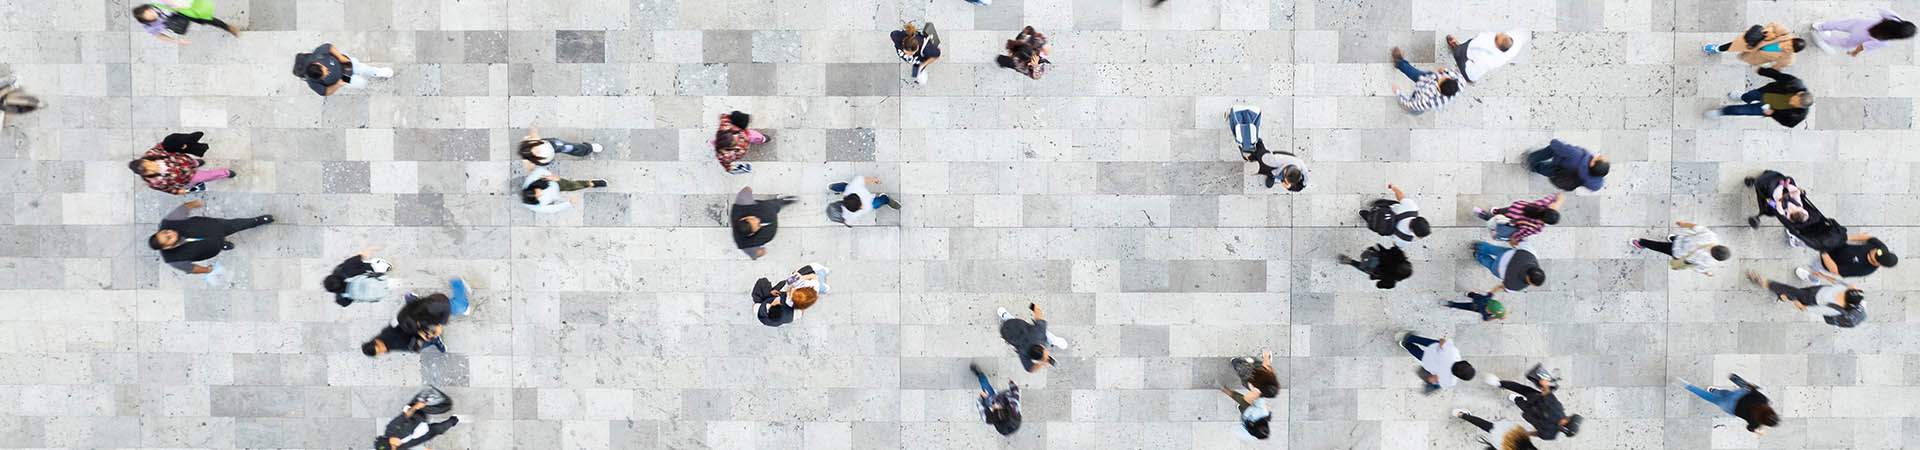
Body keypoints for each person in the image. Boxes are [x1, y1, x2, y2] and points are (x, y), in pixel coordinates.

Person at [149, 201, 273, 274]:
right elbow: (192, 269)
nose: (171, 232)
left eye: (166, 232)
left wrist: (196, 204)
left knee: (237, 224)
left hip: (213, 227)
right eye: (168, 238)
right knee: (217, 245)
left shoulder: (168, 222)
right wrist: (206, 270)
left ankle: (256, 221)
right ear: (166, 247)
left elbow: (184, 208)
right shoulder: (173, 260)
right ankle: (222, 245)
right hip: (210, 248)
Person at [1747, 270, 1866, 328]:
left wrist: (1796, 300)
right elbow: (1838, 282)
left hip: (1811, 299)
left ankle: (1762, 282)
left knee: (1790, 290)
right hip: (1817, 290)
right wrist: (1823, 276)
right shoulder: (1855, 293)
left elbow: (1806, 308)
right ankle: (1784, 296)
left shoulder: (1834, 310)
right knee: (1793, 292)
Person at [1483, 372, 1582, 440]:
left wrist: (1545, 385)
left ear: (1566, 423)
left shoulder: (1558, 409)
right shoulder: (1550, 435)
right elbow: (1537, 433)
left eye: (1569, 418)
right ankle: (1515, 398)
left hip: (1534, 398)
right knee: (1519, 402)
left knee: (1520, 388)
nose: (1568, 416)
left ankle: (1498, 383)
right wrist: (1527, 433)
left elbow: (1546, 395)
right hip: (1528, 412)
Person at [129, 132, 234, 194]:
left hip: (184, 160)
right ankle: (225, 173)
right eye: (149, 171)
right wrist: (183, 191)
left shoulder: (152, 153)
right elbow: (170, 190)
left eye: (149, 164)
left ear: (146, 160)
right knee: (208, 176)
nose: (153, 168)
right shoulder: (154, 182)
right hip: (189, 177)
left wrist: (180, 144)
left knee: (194, 162)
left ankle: (196, 163)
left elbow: (166, 144)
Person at [1676, 374, 1778, 435]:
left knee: (1724, 393)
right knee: (1709, 398)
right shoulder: (1756, 423)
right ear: (1764, 423)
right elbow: (1750, 428)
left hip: (1737, 395)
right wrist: (1758, 431)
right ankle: (1687, 385)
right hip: (1730, 406)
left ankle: (1714, 390)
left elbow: (1752, 390)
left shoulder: (1763, 400)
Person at [1706, 68, 1810, 128]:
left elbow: (1789, 123)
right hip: (1765, 93)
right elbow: (1778, 75)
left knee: (1741, 110)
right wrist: (1763, 71)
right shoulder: (1795, 83)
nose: (1791, 102)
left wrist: (1773, 114)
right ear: (1800, 93)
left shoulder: (1799, 115)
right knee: (1749, 95)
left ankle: (1722, 112)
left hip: (1768, 108)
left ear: (1801, 106)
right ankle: (1742, 96)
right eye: (1793, 99)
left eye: (1795, 104)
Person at [1631, 221, 1731, 277]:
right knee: (1658, 246)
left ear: (1720, 245)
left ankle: (1671, 238)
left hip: (1681, 240)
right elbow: (1697, 268)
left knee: (1676, 239)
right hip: (1677, 252)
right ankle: (1640, 242)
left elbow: (1696, 227)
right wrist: (1707, 273)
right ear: (1716, 258)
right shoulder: (1708, 262)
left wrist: (1683, 224)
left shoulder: (1712, 237)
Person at [294, 43, 394, 96]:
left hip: (346, 64)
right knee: (361, 83)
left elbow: (329, 47)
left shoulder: (318, 54)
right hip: (342, 78)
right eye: (324, 75)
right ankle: (367, 82)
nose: (327, 73)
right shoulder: (312, 82)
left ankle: (377, 72)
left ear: (318, 63)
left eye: (325, 71)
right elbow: (324, 92)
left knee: (364, 69)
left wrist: (341, 58)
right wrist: (337, 85)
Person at [132, 0, 239, 46]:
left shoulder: (156, 3)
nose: (153, 14)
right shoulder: (150, 26)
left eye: (150, 11)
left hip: (181, 11)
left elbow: (168, 2)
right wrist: (177, 41)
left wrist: (174, 5)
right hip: (176, 20)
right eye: (149, 16)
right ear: (147, 21)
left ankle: (228, 27)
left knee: (206, 19)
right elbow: (159, 35)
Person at [998, 303, 1068, 373]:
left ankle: (1005, 315)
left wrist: (1040, 363)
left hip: (1013, 329)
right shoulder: (1024, 352)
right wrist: (1032, 305)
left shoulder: (1037, 334)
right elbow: (1037, 311)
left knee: (1045, 333)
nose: (1048, 356)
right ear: (1043, 347)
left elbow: (1030, 369)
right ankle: (1005, 315)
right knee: (1047, 334)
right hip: (1016, 328)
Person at [1389, 47, 1461, 115]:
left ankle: (1410, 111)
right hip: (1428, 78)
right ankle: (1399, 63)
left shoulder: (1426, 100)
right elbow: (1457, 75)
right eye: (1445, 76)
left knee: (1413, 109)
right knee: (1413, 72)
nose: (1442, 75)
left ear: (1438, 88)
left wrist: (1397, 93)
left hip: (1421, 93)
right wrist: (1445, 71)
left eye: (1441, 78)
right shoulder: (1458, 83)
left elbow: (1409, 104)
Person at [1810, 9, 1914, 56]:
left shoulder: (1895, 19)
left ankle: (1820, 26)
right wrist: (1855, 52)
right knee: (1844, 43)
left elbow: (1883, 11)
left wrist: (1898, 21)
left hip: (1861, 24)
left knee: (1840, 24)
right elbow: (1863, 46)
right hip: (1859, 36)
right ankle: (1823, 38)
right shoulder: (1884, 41)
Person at [730, 186, 796, 259]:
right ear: (751, 234)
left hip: (771, 207)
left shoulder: (743, 202)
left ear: (745, 218)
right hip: (770, 209)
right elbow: (761, 252)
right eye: (758, 226)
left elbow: (747, 189)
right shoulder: (746, 245)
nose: (759, 220)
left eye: (754, 218)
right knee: (774, 204)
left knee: (777, 203)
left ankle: (783, 201)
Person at [1703, 23, 1806, 69]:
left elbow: (1778, 67)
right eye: (1788, 44)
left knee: (1742, 55)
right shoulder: (1785, 33)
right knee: (1733, 45)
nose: (1786, 47)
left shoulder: (1787, 59)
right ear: (1791, 39)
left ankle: (1719, 49)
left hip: (1755, 56)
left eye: (1790, 49)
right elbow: (1771, 25)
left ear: (1793, 52)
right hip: (1753, 42)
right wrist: (1769, 33)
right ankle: (1718, 48)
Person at [1401, 332, 1476, 394]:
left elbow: (1442, 341)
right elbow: (1432, 379)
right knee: (1418, 353)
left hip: (1434, 349)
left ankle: (1410, 338)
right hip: (1428, 361)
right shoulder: (1450, 380)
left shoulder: (1454, 353)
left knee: (1430, 343)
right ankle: (1406, 345)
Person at [1473, 194, 1562, 244]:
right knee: (1499, 220)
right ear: (1546, 222)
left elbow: (1553, 197)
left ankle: (1496, 211)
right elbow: (1518, 234)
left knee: (1503, 211)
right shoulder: (1536, 227)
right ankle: (1482, 214)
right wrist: (1515, 241)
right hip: (1512, 219)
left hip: (1516, 208)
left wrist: (1558, 201)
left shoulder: (1542, 205)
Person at [395, 278, 472, 337]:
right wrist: (421, 332)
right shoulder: (410, 316)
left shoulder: (433, 306)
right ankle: (410, 298)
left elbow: (446, 307)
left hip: (441, 301)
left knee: (460, 308)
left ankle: (457, 282)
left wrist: (440, 325)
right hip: (426, 308)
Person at [1444, 30, 1529, 83]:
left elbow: (1471, 71)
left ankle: (1456, 48)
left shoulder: (1487, 60)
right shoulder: (1514, 41)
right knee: (1467, 44)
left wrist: (1465, 59)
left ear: (1497, 47)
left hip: (1469, 62)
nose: (1497, 34)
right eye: (1500, 34)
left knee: (1458, 54)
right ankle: (1460, 47)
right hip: (1472, 45)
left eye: (1496, 38)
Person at [1523, 140, 1607, 193]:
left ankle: (1531, 160)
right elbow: (1596, 185)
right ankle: (1535, 168)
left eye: (1599, 158)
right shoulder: (1596, 183)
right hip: (1560, 174)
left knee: (1551, 150)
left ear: (1592, 164)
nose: (1600, 156)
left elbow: (1562, 148)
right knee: (1545, 170)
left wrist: (1554, 142)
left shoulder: (1578, 155)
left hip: (1558, 163)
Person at [374, 399, 460, 450]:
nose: (395, 447)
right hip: (424, 434)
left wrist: (416, 407)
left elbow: (405, 416)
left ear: (389, 439)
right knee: (441, 428)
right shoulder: (398, 449)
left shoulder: (391, 428)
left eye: (393, 445)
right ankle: (454, 420)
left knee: (433, 406)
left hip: (418, 418)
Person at [1361, 184, 1430, 247]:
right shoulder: (1406, 240)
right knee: (1371, 219)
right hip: (1380, 226)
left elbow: (1400, 196)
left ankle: (1377, 204)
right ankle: (1364, 214)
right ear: (1413, 231)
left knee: (1396, 203)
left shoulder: (1412, 208)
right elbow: (1395, 246)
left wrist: (1393, 188)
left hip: (1385, 211)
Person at [520, 166, 607, 213]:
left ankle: (591, 183)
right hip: (553, 195)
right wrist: (569, 202)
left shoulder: (530, 182)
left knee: (572, 185)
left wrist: (550, 176)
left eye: (537, 191)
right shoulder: (537, 207)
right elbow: (554, 209)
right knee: (570, 187)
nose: (540, 192)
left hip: (554, 183)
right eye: (538, 196)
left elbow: (538, 171)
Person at [323, 247, 391, 307]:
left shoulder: (340, 299)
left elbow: (345, 304)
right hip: (379, 277)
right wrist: (371, 249)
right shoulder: (345, 268)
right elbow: (363, 255)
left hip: (379, 294)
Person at [1810, 234, 1897, 279]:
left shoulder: (1864, 270)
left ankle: (1813, 278)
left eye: (1876, 255)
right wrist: (1846, 239)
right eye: (1878, 251)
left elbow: (1835, 270)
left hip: (1824, 261)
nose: (1874, 251)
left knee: (1813, 267)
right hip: (1837, 246)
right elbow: (1869, 238)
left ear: (1878, 264)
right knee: (1811, 241)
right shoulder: (1882, 248)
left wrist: (1824, 252)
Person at [517, 123, 601, 169]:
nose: (536, 150)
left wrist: (533, 125)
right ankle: (586, 149)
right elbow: (530, 167)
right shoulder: (530, 161)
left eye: (534, 148)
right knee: (568, 148)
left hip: (554, 145)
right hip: (550, 153)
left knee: (570, 147)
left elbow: (534, 133)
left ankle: (588, 148)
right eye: (534, 153)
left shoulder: (530, 141)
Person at [969, 364, 1021, 435]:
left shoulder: (988, 418)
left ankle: (980, 375)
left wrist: (982, 397)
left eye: (994, 409)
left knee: (985, 385)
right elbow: (1015, 392)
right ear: (1007, 408)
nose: (996, 405)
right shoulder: (1014, 405)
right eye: (998, 407)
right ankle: (980, 375)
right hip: (1004, 396)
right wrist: (1011, 383)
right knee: (987, 387)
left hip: (990, 400)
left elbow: (980, 405)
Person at [825, 176, 901, 225]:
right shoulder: (851, 190)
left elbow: (864, 180)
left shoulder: (855, 187)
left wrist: (873, 179)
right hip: (861, 196)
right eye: (859, 208)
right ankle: (885, 198)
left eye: (860, 205)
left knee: (846, 186)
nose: (862, 207)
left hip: (866, 198)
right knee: (846, 187)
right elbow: (847, 221)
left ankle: (835, 187)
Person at [1473, 241, 1544, 293]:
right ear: (1528, 278)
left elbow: (1519, 242)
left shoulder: (1532, 256)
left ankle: (1479, 246)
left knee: (1492, 249)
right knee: (1488, 263)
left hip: (1505, 253)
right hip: (1498, 269)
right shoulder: (1518, 286)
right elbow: (1506, 288)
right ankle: (1477, 255)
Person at [1450, 411, 1541, 450]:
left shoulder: (1525, 441)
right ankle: (1463, 415)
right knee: (1487, 427)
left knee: (1485, 425)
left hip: (1511, 435)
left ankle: (1462, 415)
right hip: (1501, 443)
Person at [1337, 244, 1412, 289]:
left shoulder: (1399, 256)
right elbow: (1379, 285)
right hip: (1374, 269)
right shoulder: (1391, 281)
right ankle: (1349, 261)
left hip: (1377, 257)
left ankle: (1362, 256)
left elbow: (1394, 249)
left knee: (1367, 257)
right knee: (1363, 267)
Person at [362, 324, 438, 356]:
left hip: (411, 336)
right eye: (379, 352)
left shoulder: (388, 335)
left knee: (419, 346)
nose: (381, 350)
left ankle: (435, 340)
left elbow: (398, 327)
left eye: (379, 348)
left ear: (376, 341)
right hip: (405, 343)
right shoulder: (385, 344)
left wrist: (418, 337)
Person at [1443, 291, 1507, 321]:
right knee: (1463, 306)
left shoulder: (1487, 299)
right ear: (1492, 313)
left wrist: (1500, 287)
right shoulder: (1487, 314)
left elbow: (1492, 292)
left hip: (1478, 299)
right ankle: (1451, 304)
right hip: (1474, 308)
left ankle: (1468, 294)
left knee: (1474, 295)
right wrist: (1495, 317)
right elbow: (1486, 320)